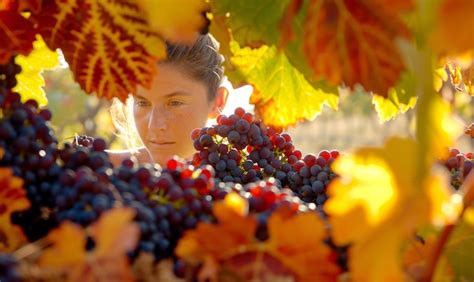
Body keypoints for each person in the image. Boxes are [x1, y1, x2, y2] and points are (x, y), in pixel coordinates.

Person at [108, 34, 228, 167]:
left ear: (217, 102)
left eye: (175, 103)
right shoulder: (94, 173)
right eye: (142, 102)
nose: (155, 125)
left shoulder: (242, 181)